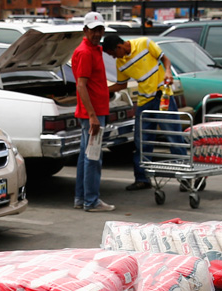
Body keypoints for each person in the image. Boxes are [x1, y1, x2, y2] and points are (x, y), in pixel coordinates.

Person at [102, 32, 175, 190]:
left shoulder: (145, 43)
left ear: (120, 46)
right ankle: (142, 178)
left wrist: (167, 71)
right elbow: (122, 85)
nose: (114, 57)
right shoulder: (121, 63)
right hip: (145, 101)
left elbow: (165, 59)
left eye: (113, 53)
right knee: (141, 140)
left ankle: (186, 177)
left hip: (162, 96)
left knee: (173, 136)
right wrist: (103, 90)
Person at [71, 11, 114, 212]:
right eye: (94, 30)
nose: (98, 33)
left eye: (100, 29)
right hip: (93, 113)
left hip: (95, 111)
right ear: (85, 30)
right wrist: (92, 115)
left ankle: (82, 198)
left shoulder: (94, 49)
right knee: (93, 157)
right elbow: (81, 85)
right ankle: (91, 200)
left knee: (86, 155)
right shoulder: (85, 52)